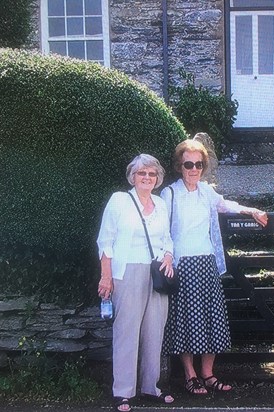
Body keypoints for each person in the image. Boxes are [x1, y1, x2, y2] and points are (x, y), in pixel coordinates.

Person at [161, 139, 268, 395]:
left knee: (211, 318)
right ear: (179, 165)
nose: (194, 169)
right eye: (188, 164)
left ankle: (208, 374)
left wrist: (250, 209)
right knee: (186, 320)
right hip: (182, 265)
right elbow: (160, 229)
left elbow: (225, 204)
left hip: (207, 262)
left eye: (198, 164)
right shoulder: (170, 193)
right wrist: (166, 256)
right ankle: (190, 374)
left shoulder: (206, 192)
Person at [97, 154, 175, 412]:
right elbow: (105, 241)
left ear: (158, 178)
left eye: (152, 174)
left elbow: (168, 239)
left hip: (156, 274)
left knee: (155, 331)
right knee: (126, 332)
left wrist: (168, 256)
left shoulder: (161, 204)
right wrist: (105, 276)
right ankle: (123, 393)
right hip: (127, 271)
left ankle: (150, 388)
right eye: (142, 173)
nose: (147, 178)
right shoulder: (120, 201)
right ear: (133, 176)